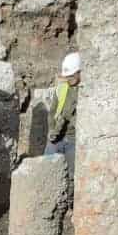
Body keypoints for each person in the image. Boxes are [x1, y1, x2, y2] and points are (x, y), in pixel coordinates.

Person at [46, 52, 81, 181]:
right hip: (57, 139)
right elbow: (52, 113)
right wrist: (51, 129)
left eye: (71, 76)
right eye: (67, 77)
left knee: (72, 177)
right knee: (47, 169)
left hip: (73, 140)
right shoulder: (62, 88)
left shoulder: (85, 91)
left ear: (79, 72)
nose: (68, 79)